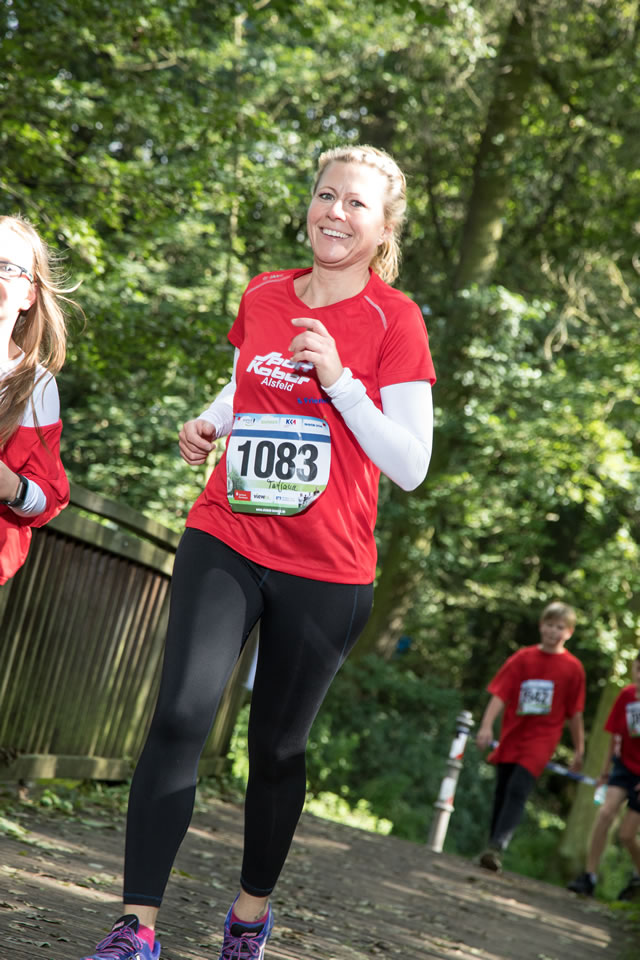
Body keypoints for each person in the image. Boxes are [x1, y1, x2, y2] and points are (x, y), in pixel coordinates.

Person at [80, 144, 436, 960]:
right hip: (229, 532)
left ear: (384, 229)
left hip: (327, 565)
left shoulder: (396, 320)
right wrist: (212, 422)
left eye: (356, 204)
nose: (334, 213)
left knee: (275, 749)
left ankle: (248, 918)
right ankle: (137, 927)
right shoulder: (265, 292)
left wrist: (342, 382)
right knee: (179, 715)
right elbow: (246, 381)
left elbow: (411, 466)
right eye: (325, 195)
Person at [475, 601, 586, 872]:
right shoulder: (522, 658)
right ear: (541, 626)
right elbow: (500, 694)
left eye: (559, 627)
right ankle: (491, 847)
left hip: (542, 739)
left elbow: (575, 713)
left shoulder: (573, 668)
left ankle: (498, 846)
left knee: (518, 788)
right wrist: (486, 725)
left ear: (569, 632)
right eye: (549, 625)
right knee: (503, 789)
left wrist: (579, 749)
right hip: (513, 734)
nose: (553, 631)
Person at [0, 215, 70, 585]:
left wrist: (12, 487)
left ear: (29, 294)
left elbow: (49, 497)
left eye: (6, 267)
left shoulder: (35, 385)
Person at [567, 651, 640, 901]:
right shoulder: (626, 696)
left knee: (627, 835)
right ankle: (589, 875)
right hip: (623, 767)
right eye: (638, 669)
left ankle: (638, 877)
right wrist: (605, 771)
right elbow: (614, 735)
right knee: (605, 813)